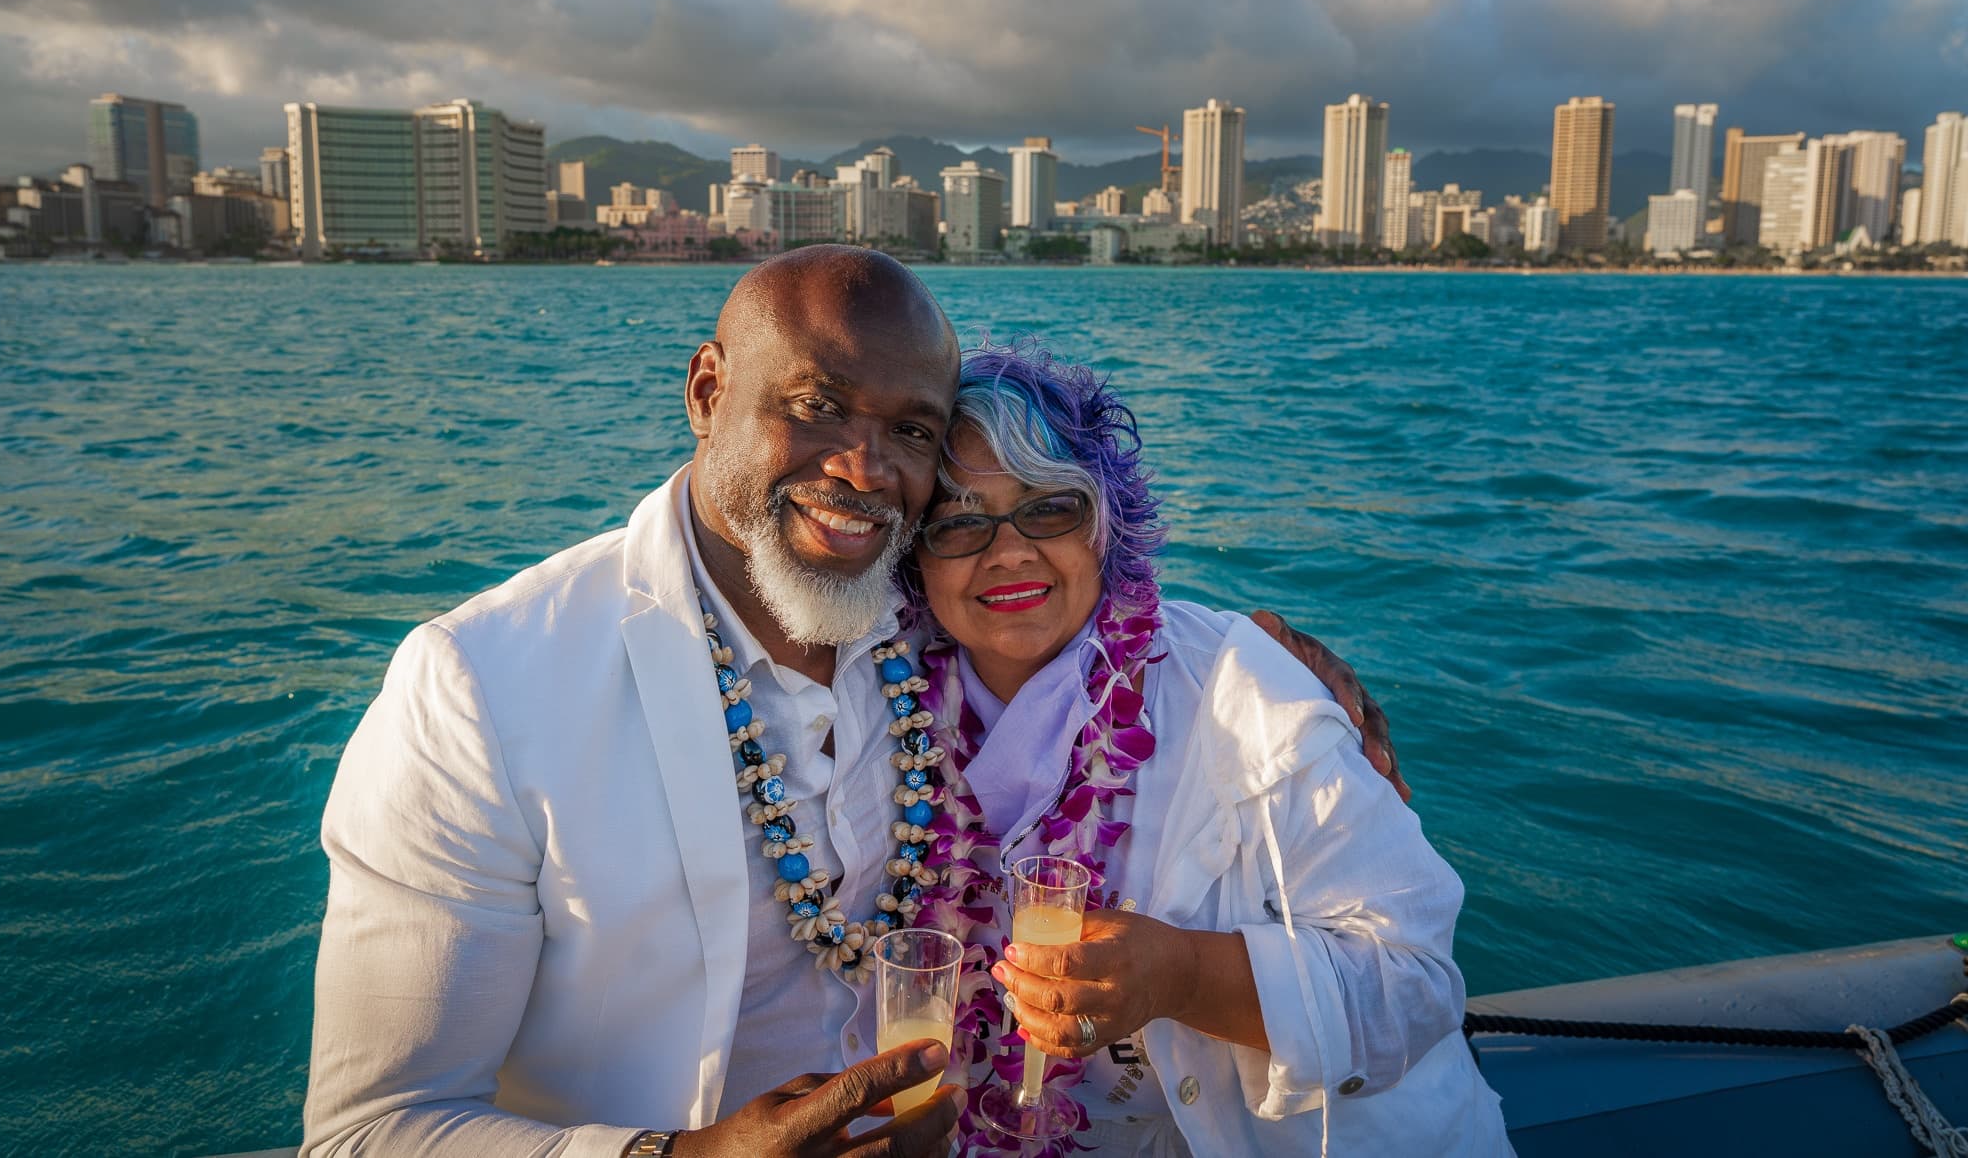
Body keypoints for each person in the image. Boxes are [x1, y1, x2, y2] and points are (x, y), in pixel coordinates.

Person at [300, 247, 1404, 1157]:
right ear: (705, 391)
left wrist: (1278, 669)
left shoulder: (911, 613)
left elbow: (1060, 598)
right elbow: (365, 1131)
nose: (864, 467)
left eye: (911, 432)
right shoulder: (482, 687)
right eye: (817, 404)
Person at [901, 339, 1511, 1156]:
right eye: (959, 524)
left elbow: (1417, 985)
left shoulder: (1248, 692)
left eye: (1051, 508)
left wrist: (1181, 974)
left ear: (1106, 525)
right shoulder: (876, 704)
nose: (1009, 550)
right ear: (911, 557)